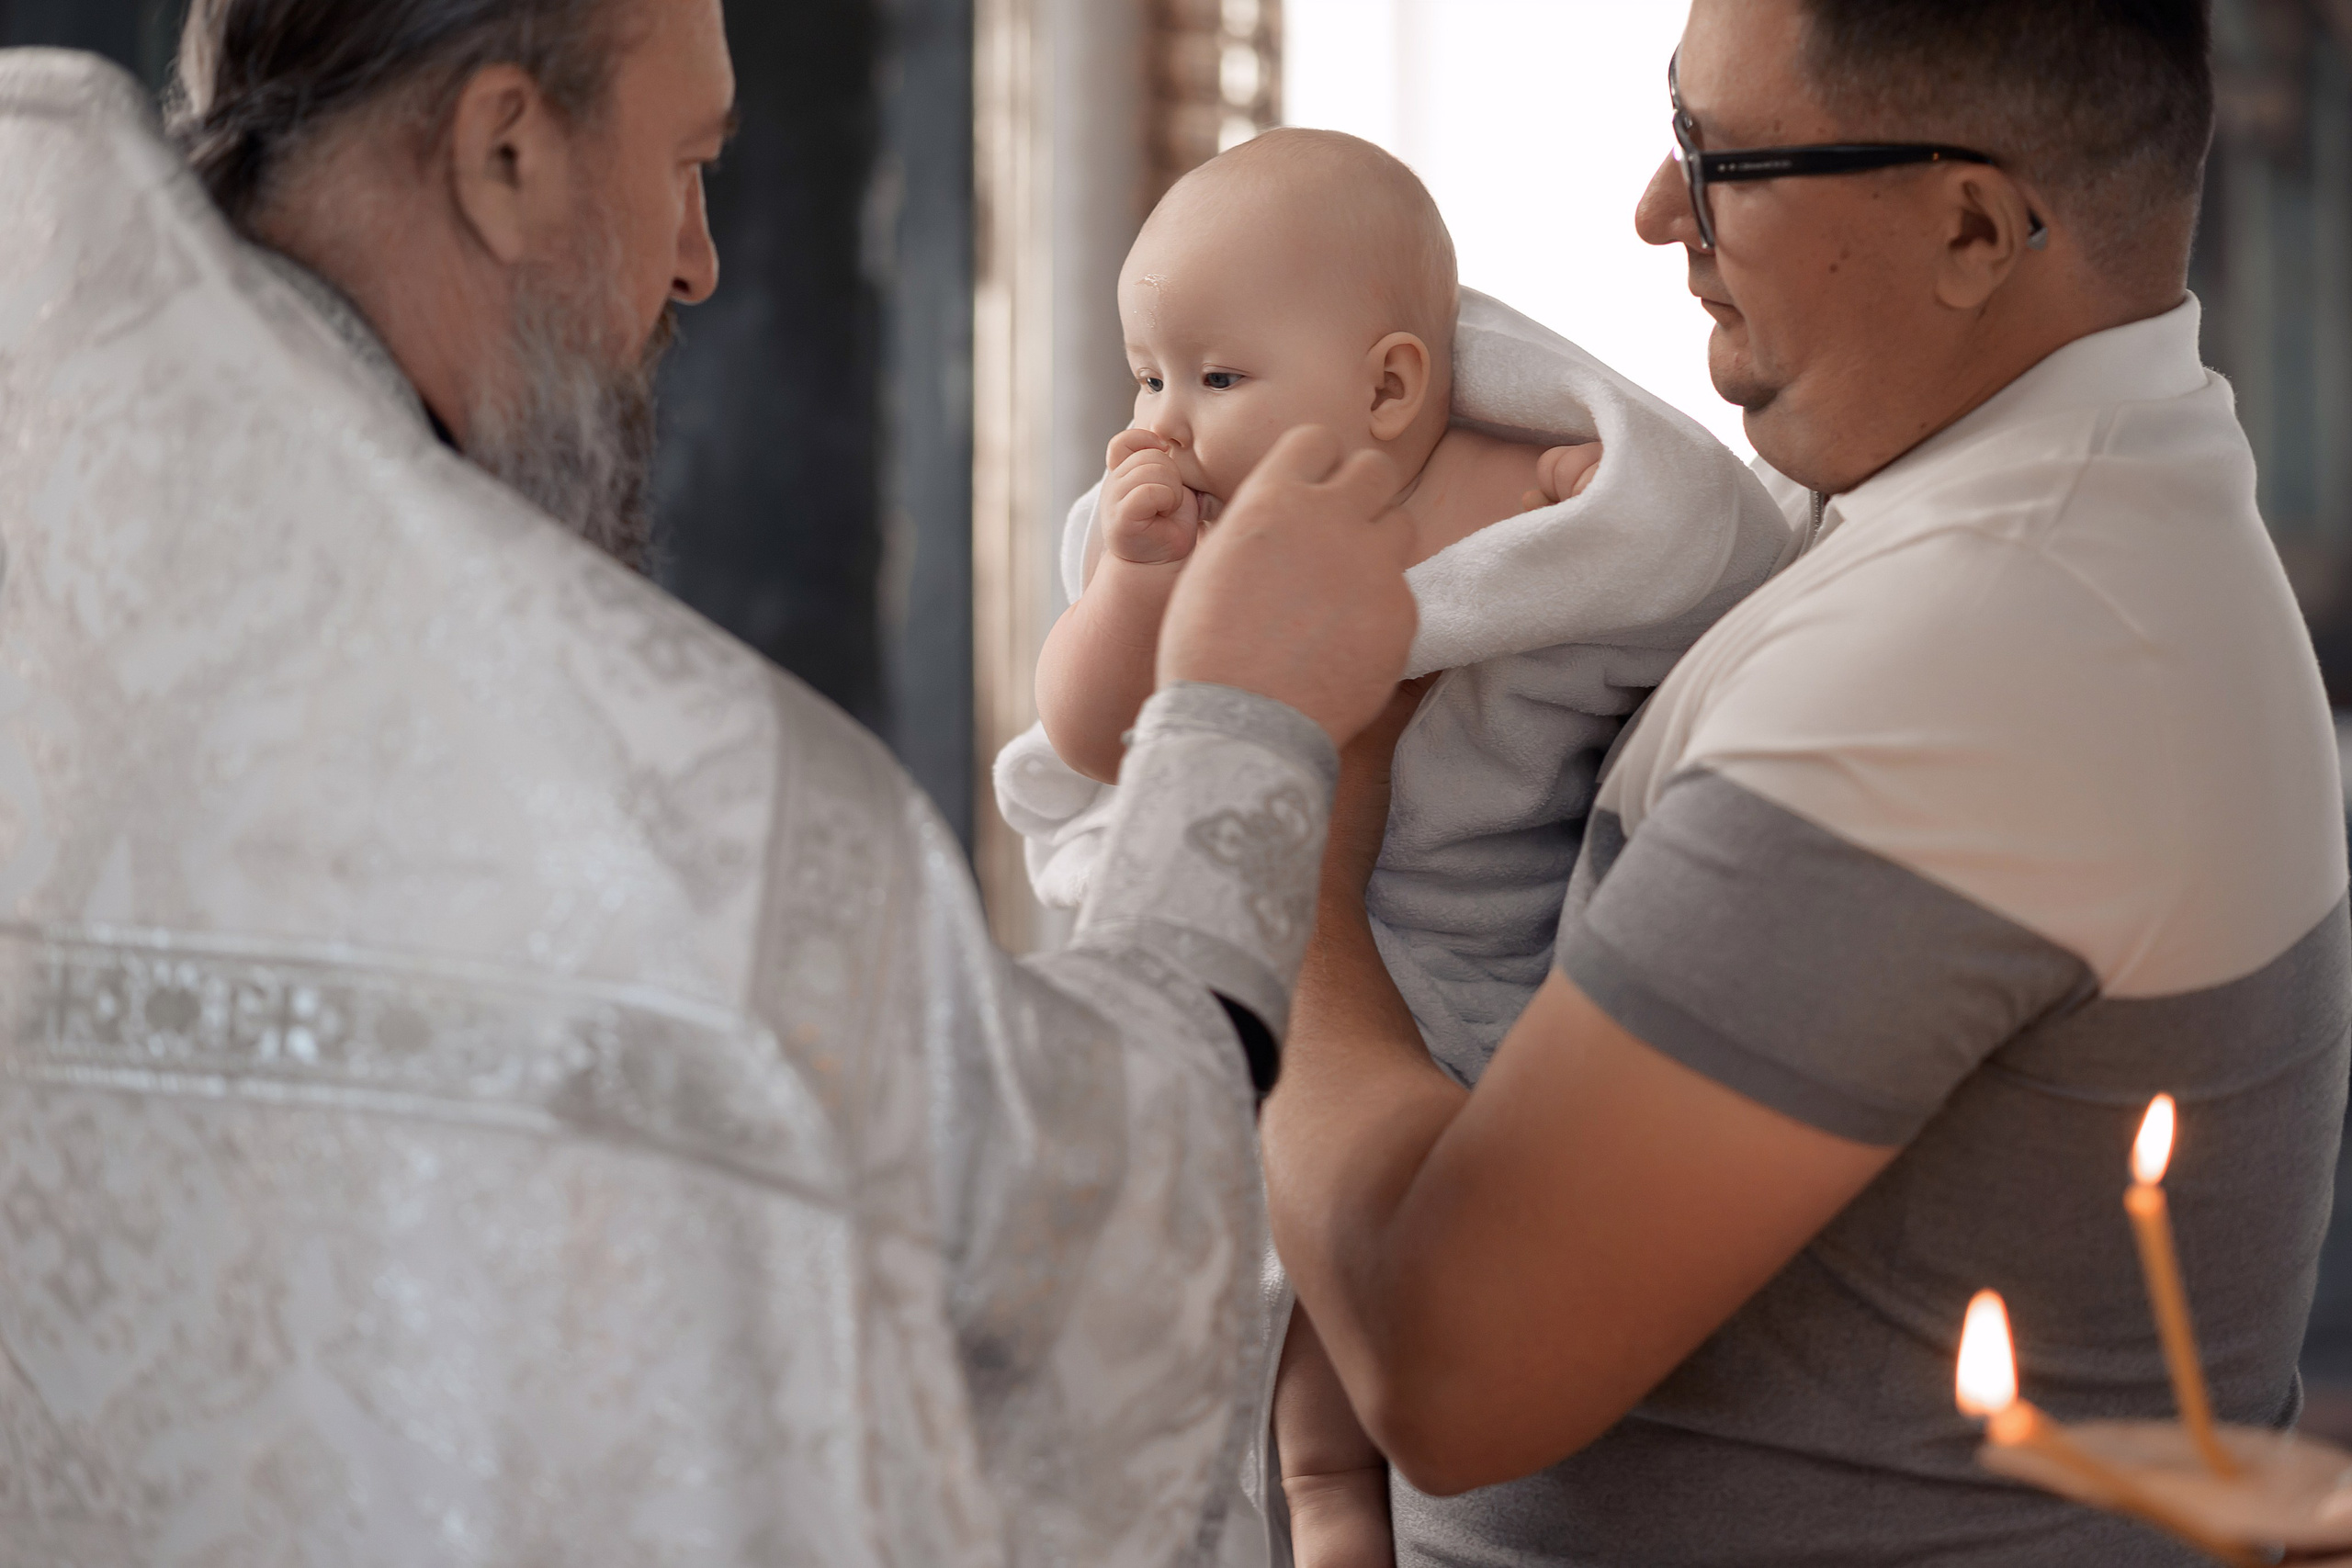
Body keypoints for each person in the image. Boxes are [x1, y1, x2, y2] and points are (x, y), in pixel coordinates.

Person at [0, 3, 1417, 1564]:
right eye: (684, 166)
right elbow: (1065, 1290)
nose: (699, 262)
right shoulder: (682, 822)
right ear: (508, 152)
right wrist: (1240, 727)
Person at [1261, 2, 2352, 1565]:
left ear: (1971, 225)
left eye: (1716, 161)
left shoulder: (1991, 642)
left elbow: (1448, 1366)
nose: (1656, 213)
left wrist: (1281, 796)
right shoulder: (2045, 503)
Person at [999, 128, 1789, 1084]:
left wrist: (1598, 493)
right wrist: (1132, 582)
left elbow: (1646, 530)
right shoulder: (1170, 537)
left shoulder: (1500, 480)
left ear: (1387, 387)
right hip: (1243, 922)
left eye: (1218, 379)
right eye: (1147, 377)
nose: (1162, 422)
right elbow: (1092, 742)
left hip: (1464, 940)